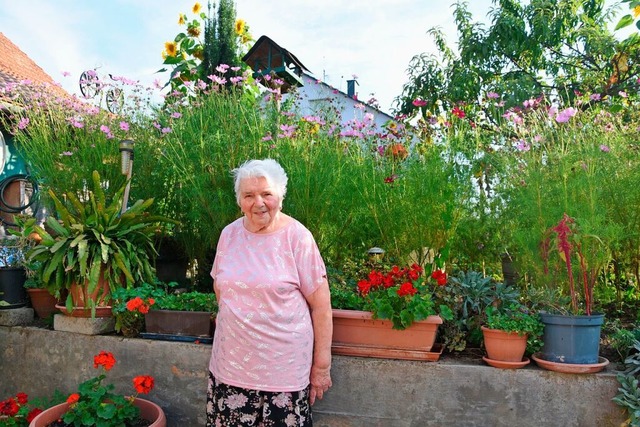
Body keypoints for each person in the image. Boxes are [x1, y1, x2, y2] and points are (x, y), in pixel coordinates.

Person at [206, 158, 333, 426]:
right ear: (239, 200)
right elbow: (222, 291)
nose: (258, 202)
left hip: (283, 374)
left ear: (281, 196)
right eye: (249, 195)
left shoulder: (298, 237)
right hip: (230, 369)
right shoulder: (228, 235)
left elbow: (321, 306)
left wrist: (321, 367)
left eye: (267, 194)